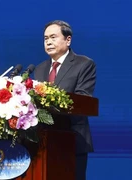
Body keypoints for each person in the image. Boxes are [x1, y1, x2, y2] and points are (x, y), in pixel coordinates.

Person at [33, 20, 96, 180]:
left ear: (68, 40)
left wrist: (50, 99)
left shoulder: (84, 64)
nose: (48, 42)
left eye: (53, 37)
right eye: (45, 38)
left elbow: (82, 98)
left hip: (72, 138)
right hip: (44, 141)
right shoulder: (40, 68)